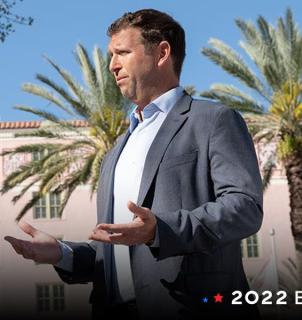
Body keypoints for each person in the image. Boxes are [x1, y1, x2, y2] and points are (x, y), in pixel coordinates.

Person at [3, 9, 262, 319]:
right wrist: (63, 253)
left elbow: (244, 208)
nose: (112, 65)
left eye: (122, 53)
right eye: (112, 55)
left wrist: (160, 231)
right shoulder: (116, 151)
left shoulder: (213, 120)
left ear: (162, 52)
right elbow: (116, 249)